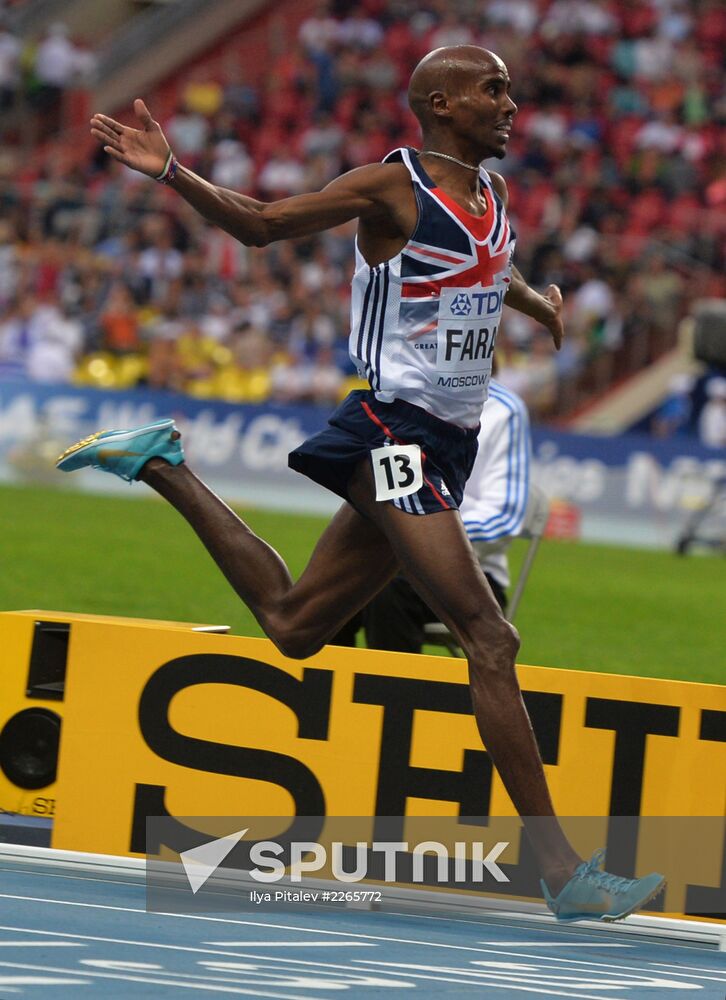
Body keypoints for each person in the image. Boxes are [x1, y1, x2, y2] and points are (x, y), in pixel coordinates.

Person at [56, 45, 664, 922]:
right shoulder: (391, 190)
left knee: (296, 625)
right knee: (489, 639)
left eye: (508, 89)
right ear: (441, 103)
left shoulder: (492, 196)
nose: (511, 103)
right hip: (395, 432)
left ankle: (160, 464)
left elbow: (489, 270)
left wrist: (534, 303)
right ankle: (562, 869)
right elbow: (263, 222)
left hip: (448, 442)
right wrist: (173, 172)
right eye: (492, 89)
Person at [336, 378, 530, 651]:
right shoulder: (402, 391)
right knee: (333, 585)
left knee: (387, 590)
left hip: (471, 576)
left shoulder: (503, 409)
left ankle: (390, 681)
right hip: (394, 557)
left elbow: (503, 517)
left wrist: (420, 535)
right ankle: (326, 679)